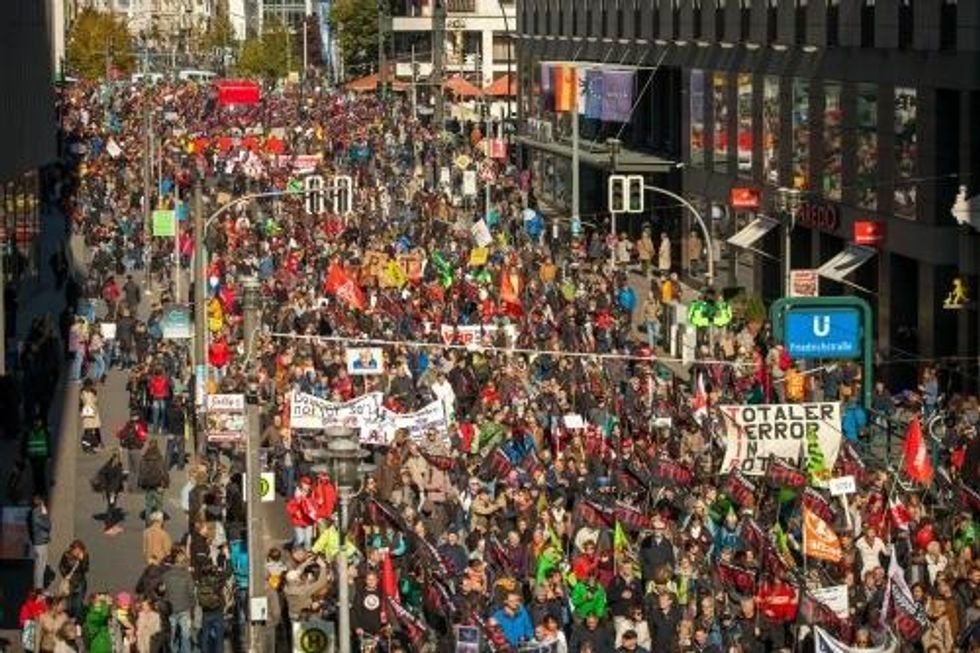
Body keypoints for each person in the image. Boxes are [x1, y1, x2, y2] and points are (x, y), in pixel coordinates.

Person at [92, 450, 125, 532]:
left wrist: (104, 486)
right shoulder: (117, 466)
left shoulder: (109, 464)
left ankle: (110, 524)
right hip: (112, 491)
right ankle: (109, 526)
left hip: (109, 489)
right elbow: (118, 480)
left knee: (111, 506)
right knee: (111, 506)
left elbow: (101, 473)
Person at [59, 540, 89, 621]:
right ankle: (69, 619)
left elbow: (85, 569)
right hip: (69, 582)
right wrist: (66, 575)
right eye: (75, 549)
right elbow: (61, 566)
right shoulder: (66, 555)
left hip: (79, 582)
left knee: (78, 603)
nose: (76, 552)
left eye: (79, 550)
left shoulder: (84, 555)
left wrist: (82, 561)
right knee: (69, 603)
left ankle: (77, 621)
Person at [117, 413, 148, 491]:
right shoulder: (138, 426)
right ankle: (135, 488)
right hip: (136, 449)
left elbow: (119, 434)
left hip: (129, 449)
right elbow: (143, 437)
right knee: (137, 470)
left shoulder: (128, 425)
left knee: (131, 470)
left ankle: (130, 487)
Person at [28, 495, 51, 589]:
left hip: (40, 542)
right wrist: (45, 515)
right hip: (40, 544)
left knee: (41, 566)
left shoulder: (35, 513)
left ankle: (39, 587)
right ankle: (38, 589)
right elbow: (47, 526)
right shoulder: (37, 514)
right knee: (40, 568)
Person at [24, 414, 50, 496]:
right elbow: (24, 444)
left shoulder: (45, 431)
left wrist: (49, 455)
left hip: (42, 457)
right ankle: (37, 491)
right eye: (36, 421)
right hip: (33, 457)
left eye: (39, 421)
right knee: (35, 474)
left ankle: (42, 490)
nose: (37, 423)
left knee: (41, 474)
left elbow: (48, 444)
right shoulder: (29, 432)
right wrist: (25, 456)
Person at [80, 379, 102, 453]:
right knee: (89, 431)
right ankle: (90, 446)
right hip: (90, 413)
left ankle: (93, 445)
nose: (89, 387)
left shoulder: (84, 392)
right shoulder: (87, 393)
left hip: (89, 413)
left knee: (92, 430)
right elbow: (93, 402)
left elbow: (94, 401)